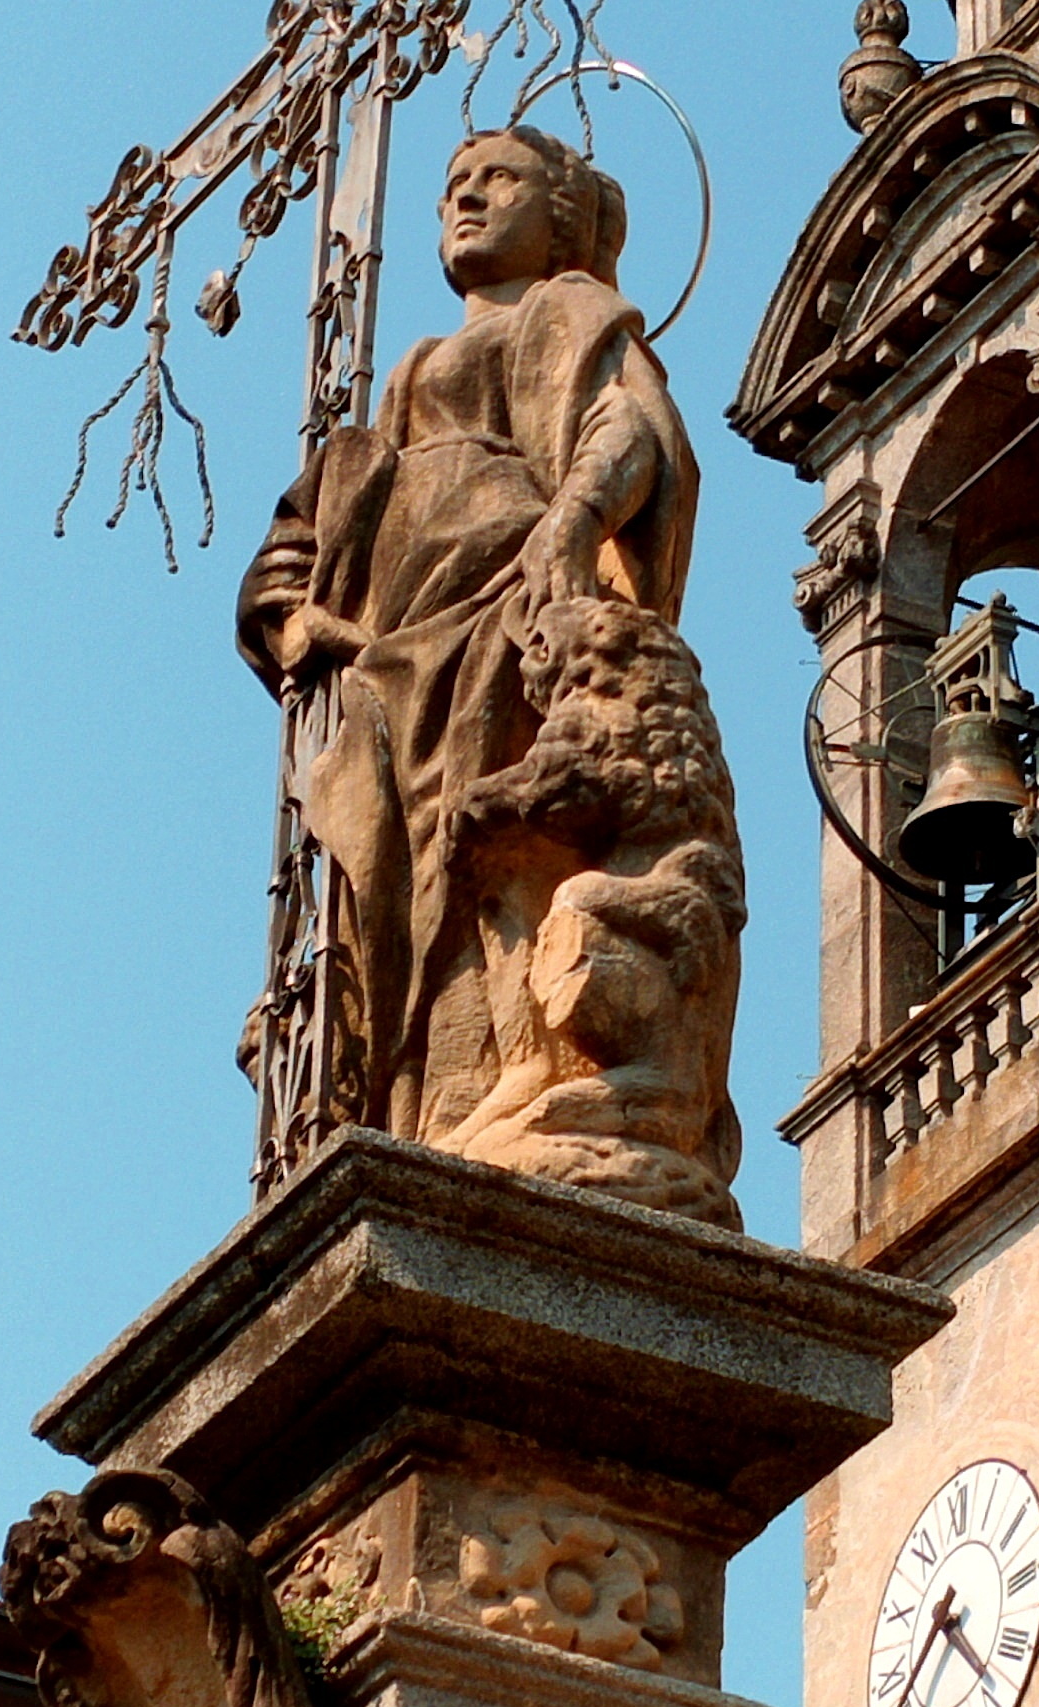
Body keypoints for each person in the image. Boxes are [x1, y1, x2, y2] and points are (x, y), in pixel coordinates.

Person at [238, 122, 738, 1217]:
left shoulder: (569, 316)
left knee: (491, 853)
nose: (462, 200)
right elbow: (294, 541)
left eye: (495, 180)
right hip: (387, 653)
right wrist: (293, 621)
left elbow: (632, 431)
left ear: (561, 212)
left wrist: (572, 521)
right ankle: (413, 1105)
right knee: (384, 879)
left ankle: (502, 1084)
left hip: (504, 619)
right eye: (449, 187)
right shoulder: (408, 376)